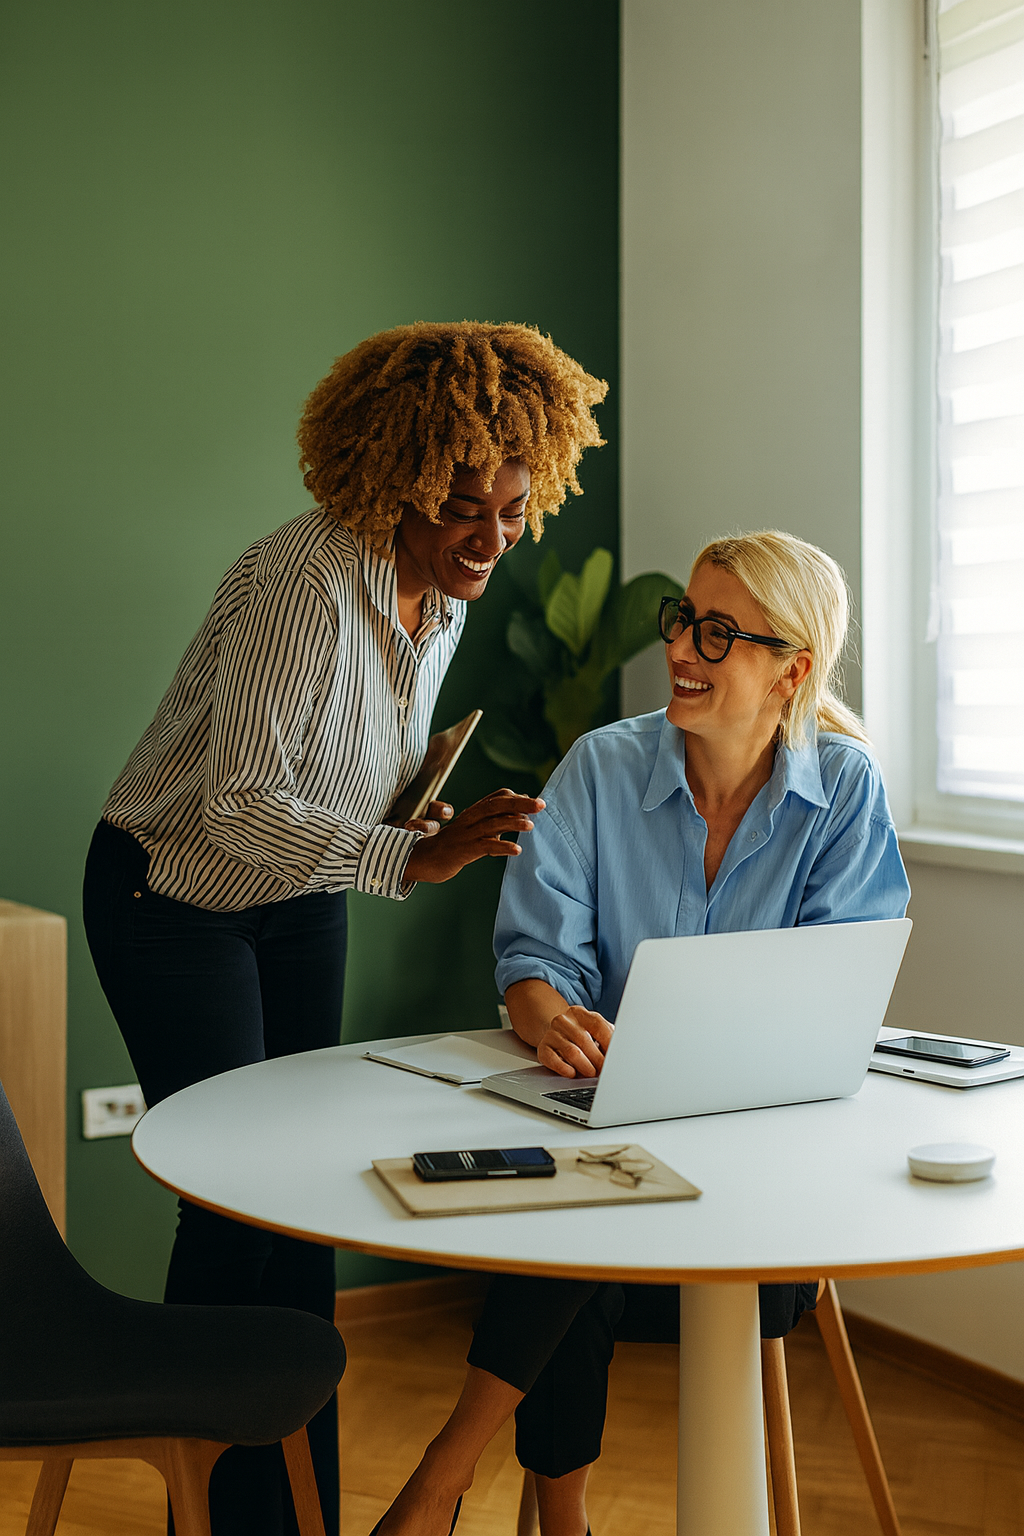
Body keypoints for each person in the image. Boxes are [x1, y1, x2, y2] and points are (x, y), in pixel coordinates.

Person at [82, 321, 607, 1536]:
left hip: (301, 897)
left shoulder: (446, 601)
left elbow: (323, 776)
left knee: (308, 1186)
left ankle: (296, 1496)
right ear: (396, 482)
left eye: (516, 508)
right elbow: (236, 802)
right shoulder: (299, 585)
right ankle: (209, 1505)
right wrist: (410, 856)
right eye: (466, 507)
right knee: (224, 1194)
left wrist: (403, 803)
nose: (494, 539)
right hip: (177, 897)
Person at [371, 529, 911, 1536]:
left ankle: (446, 1475)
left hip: (765, 1187)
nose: (680, 652)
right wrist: (547, 1016)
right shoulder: (599, 768)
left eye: (718, 634)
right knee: (572, 1217)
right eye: (681, 621)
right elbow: (534, 956)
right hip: (606, 1147)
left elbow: (839, 986)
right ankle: (550, 1516)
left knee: (567, 1231)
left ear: (792, 670)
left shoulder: (843, 791)